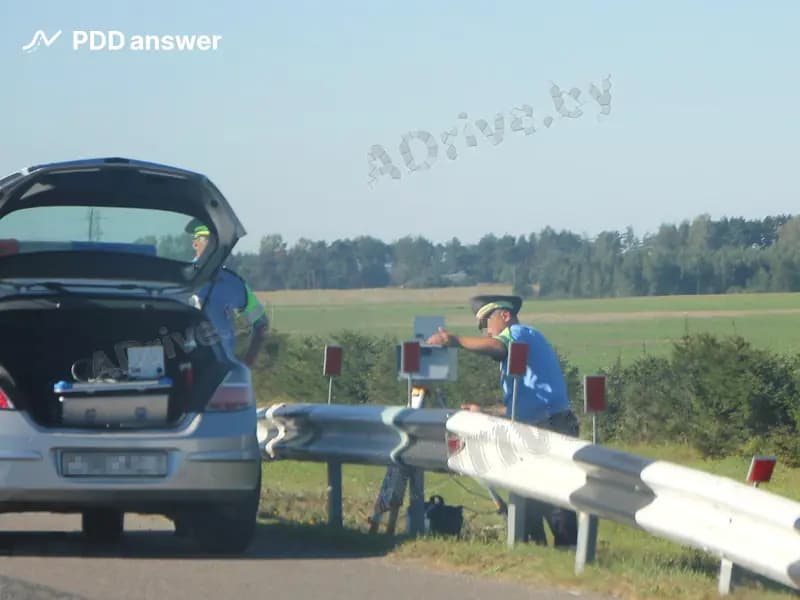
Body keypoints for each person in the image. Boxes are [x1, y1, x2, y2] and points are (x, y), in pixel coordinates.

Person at [425, 294, 579, 547]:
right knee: (529, 493)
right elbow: (518, 405)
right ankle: (537, 548)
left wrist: (455, 341)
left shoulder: (519, 334)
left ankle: (567, 548)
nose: (486, 331)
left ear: (505, 316)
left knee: (552, 495)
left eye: (487, 322)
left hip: (549, 424)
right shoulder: (518, 347)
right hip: (537, 424)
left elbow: (498, 348)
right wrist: (483, 411)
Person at [188, 221, 268, 367]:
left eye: (215, 241)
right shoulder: (179, 279)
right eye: (206, 240)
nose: (211, 246)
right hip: (187, 368)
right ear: (195, 244)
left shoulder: (233, 283)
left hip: (222, 370)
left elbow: (260, 323)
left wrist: (246, 364)